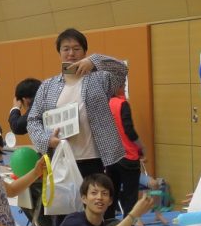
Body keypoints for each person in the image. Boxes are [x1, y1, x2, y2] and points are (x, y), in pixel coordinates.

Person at [27, 28, 128, 183]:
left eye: (76, 49)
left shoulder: (100, 79)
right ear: (59, 53)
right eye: (66, 49)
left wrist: (94, 61)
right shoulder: (47, 86)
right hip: (61, 158)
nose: (71, 54)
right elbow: (32, 120)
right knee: (63, 199)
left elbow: (122, 70)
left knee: (96, 197)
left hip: (96, 159)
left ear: (85, 52)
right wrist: (47, 139)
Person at [108, 82, 147, 226]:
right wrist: (142, 147)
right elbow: (129, 131)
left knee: (111, 196)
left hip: (111, 157)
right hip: (128, 157)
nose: (124, 86)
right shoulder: (122, 104)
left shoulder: (105, 104)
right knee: (130, 198)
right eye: (121, 84)